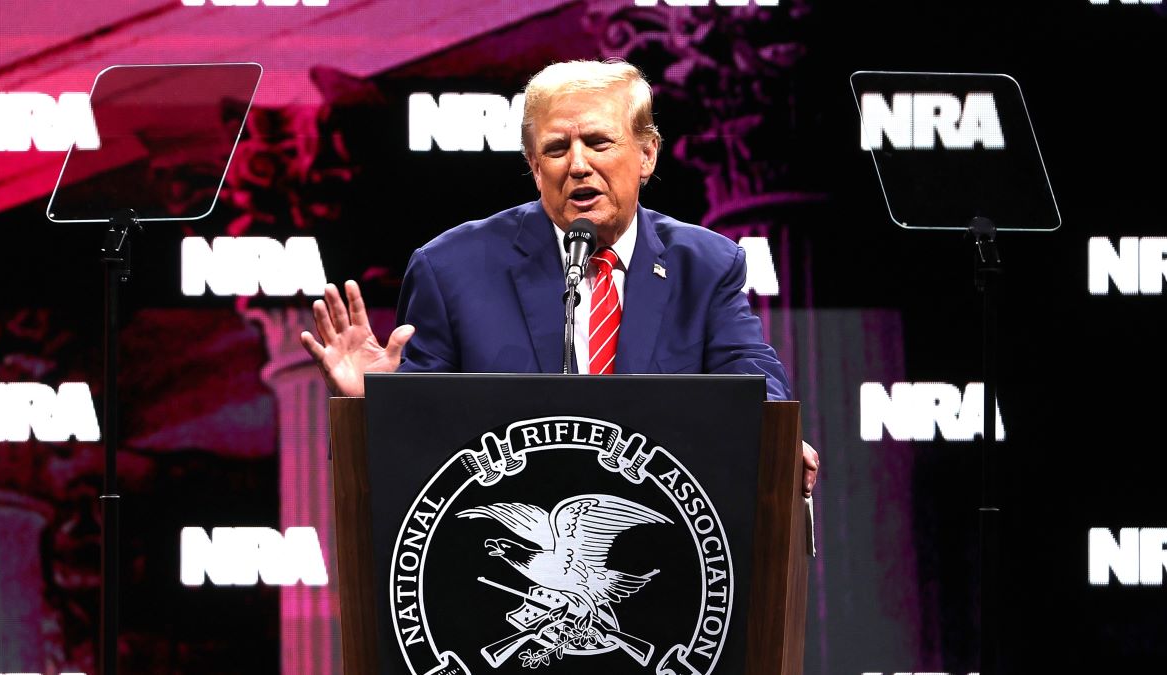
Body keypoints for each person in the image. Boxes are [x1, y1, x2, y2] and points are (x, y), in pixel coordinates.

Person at [300, 59, 819, 496]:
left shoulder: (705, 264)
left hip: (664, 540)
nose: (577, 165)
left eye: (598, 142)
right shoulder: (451, 269)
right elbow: (419, 445)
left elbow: (749, 370)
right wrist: (369, 407)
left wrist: (772, 436)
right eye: (555, 149)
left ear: (646, 154)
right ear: (532, 163)